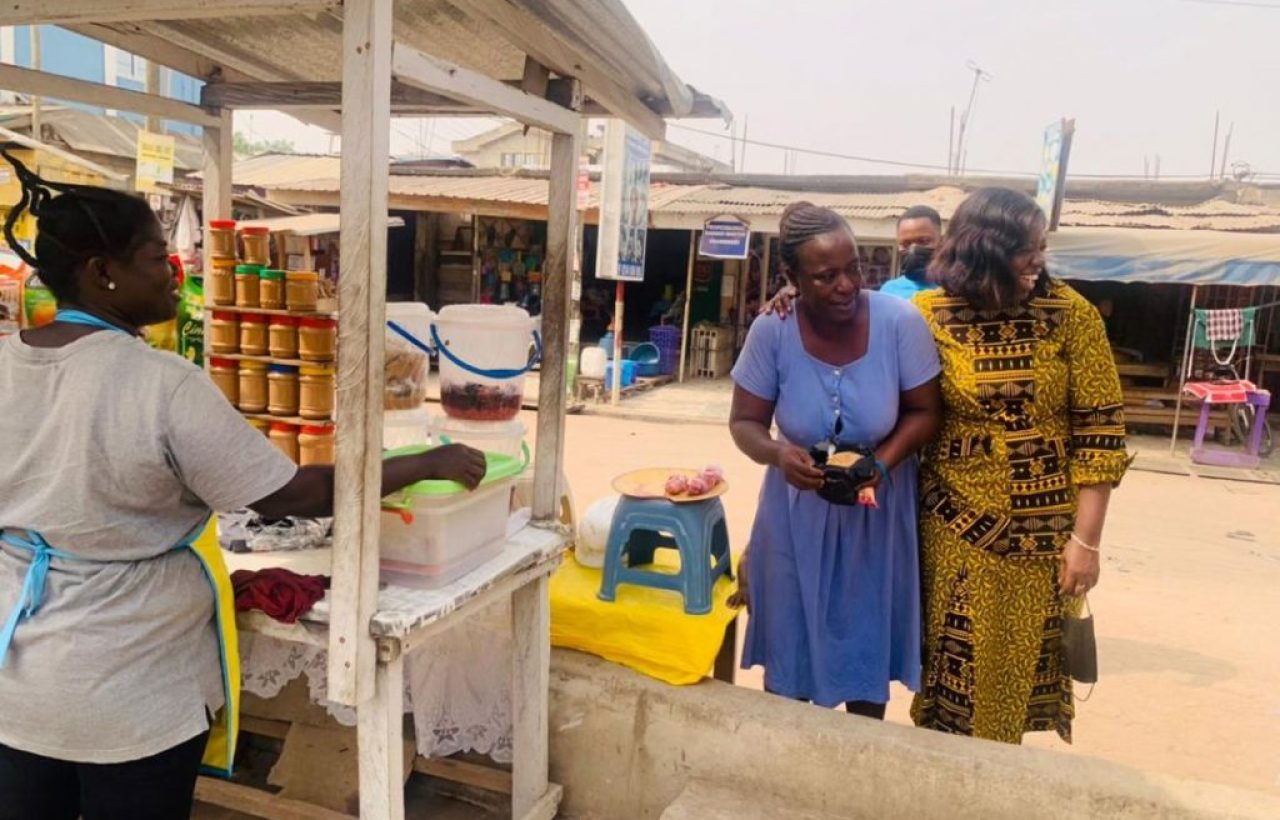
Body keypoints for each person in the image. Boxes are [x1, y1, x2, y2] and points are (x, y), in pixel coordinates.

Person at [0, 153, 487, 819]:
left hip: (16, 676)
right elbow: (290, 496)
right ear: (101, 273)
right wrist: (425, 463)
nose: (174, 271)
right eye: (153, 257)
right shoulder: (160, 383)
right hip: (129, 690)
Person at [909, 187, 1130, 744]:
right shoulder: (927, 315)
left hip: (1041, 541)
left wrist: (1087, 541)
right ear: (982, 250)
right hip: (952, 529)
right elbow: (863, 352)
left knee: (1012, 682)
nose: (1038, 260)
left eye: (1041, 247)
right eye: (1024, 249)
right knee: (952, 681)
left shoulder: (1071, 315)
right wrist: (790, 305)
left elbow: (1100, 434)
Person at [728, 202, 942, 719]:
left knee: (865, 667)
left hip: (875, 521)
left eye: (854, 269)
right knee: (790, 670)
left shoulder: (899, 322)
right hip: (793, 519)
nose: (847, 285)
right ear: (792, 279)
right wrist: (779, 454)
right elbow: (744, 423)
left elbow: (925, 411)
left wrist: (882, 463)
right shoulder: (772, 331)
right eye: (826, 276)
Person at [879, 205, 943, 300]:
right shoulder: (889, 292)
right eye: (905, 244)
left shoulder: (957, 289)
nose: (913, 249)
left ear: (941, 243)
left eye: (923, 241)